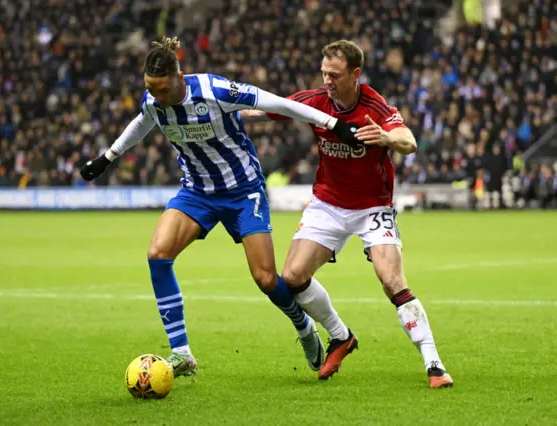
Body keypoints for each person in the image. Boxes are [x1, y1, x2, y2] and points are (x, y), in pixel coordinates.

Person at [80, 37, 358, 378]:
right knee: (157, 254)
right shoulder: (154, 102)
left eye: (162, 89)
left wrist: (333, 124)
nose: (157, 96)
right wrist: (108, 157)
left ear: (180, 77)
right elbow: (142, 120)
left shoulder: (216, 91)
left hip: (243, 191)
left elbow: (281, 104)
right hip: (197, 192)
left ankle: (302, 325)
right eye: (150, 88)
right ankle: (181, 353)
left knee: (266, 278)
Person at [239, 39, 453, 388]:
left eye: (334, 75)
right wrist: (232, 106)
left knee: (391, 279)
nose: (327, 81)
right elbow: (266, 107)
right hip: (328, 204)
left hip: (373, 207)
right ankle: (341, 336)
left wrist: (385, 137)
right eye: (324, 73)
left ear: (355, 74)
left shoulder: (373, 105)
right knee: (291, 277)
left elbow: (408, 140)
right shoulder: (315, 101)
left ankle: (434, 365)